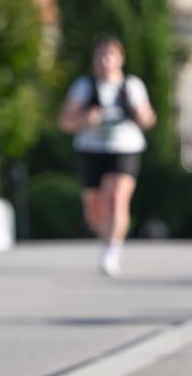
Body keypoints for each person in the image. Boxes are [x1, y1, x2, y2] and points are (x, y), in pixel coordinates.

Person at [59, 38, 156, 276]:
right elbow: (65, 122)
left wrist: (142, 115)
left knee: (116, 197)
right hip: (91, 148)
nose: (105, 61)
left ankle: (112, 249)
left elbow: (149, 118)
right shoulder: (84, 86)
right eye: (101, 56)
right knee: (93, 209)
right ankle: (109, 237)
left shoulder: (131, 86)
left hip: (125, 146)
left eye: (110, 56)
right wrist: (84, 119)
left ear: (120, 59)